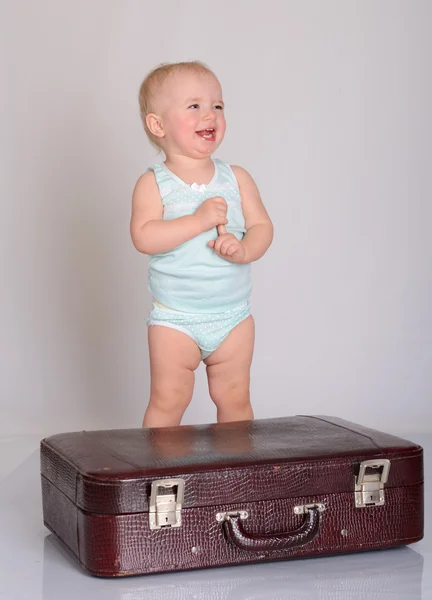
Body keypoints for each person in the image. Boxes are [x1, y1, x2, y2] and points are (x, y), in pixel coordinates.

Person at [130, 61, 273, 428]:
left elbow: (262, 227)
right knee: (168, 399)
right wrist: (198, 221)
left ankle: (237, 474)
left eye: (218, 106)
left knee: (235, 399)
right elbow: (144, 237)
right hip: (175, 318)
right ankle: (159, 477)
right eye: (194, 106)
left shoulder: (236, 178)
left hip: (233, 317)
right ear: (157, 124)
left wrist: (245, 250)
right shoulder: (154, 183)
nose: (210, 114)